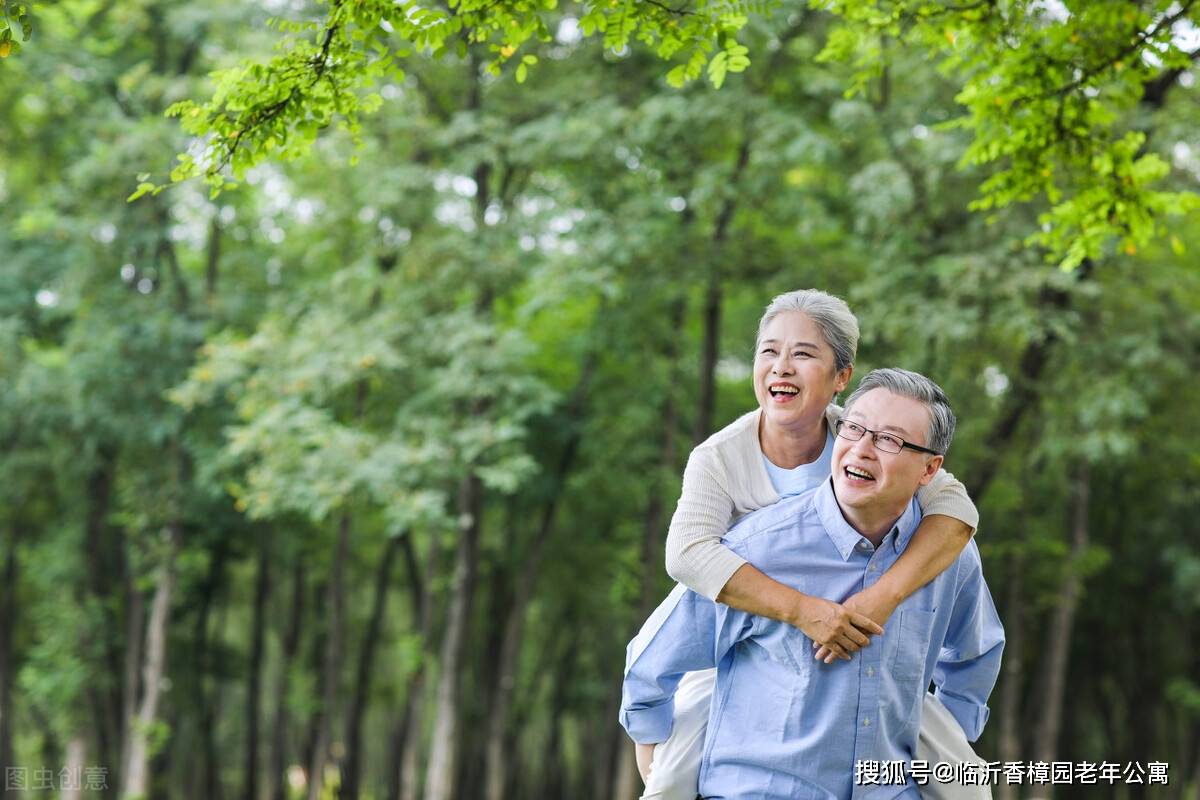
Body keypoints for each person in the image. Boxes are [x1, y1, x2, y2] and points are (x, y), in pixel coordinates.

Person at [640, 290, 983, 800]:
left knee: (968, 786)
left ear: (840, 377)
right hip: (744, 666)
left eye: (802, 354)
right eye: (768, 351)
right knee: (667, 782)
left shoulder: (864, 435)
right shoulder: (719, 458)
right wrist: (803, 611)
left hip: (874, 668)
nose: (782, 367)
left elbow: (957, 514)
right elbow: (687, 554)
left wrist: (881, 598)